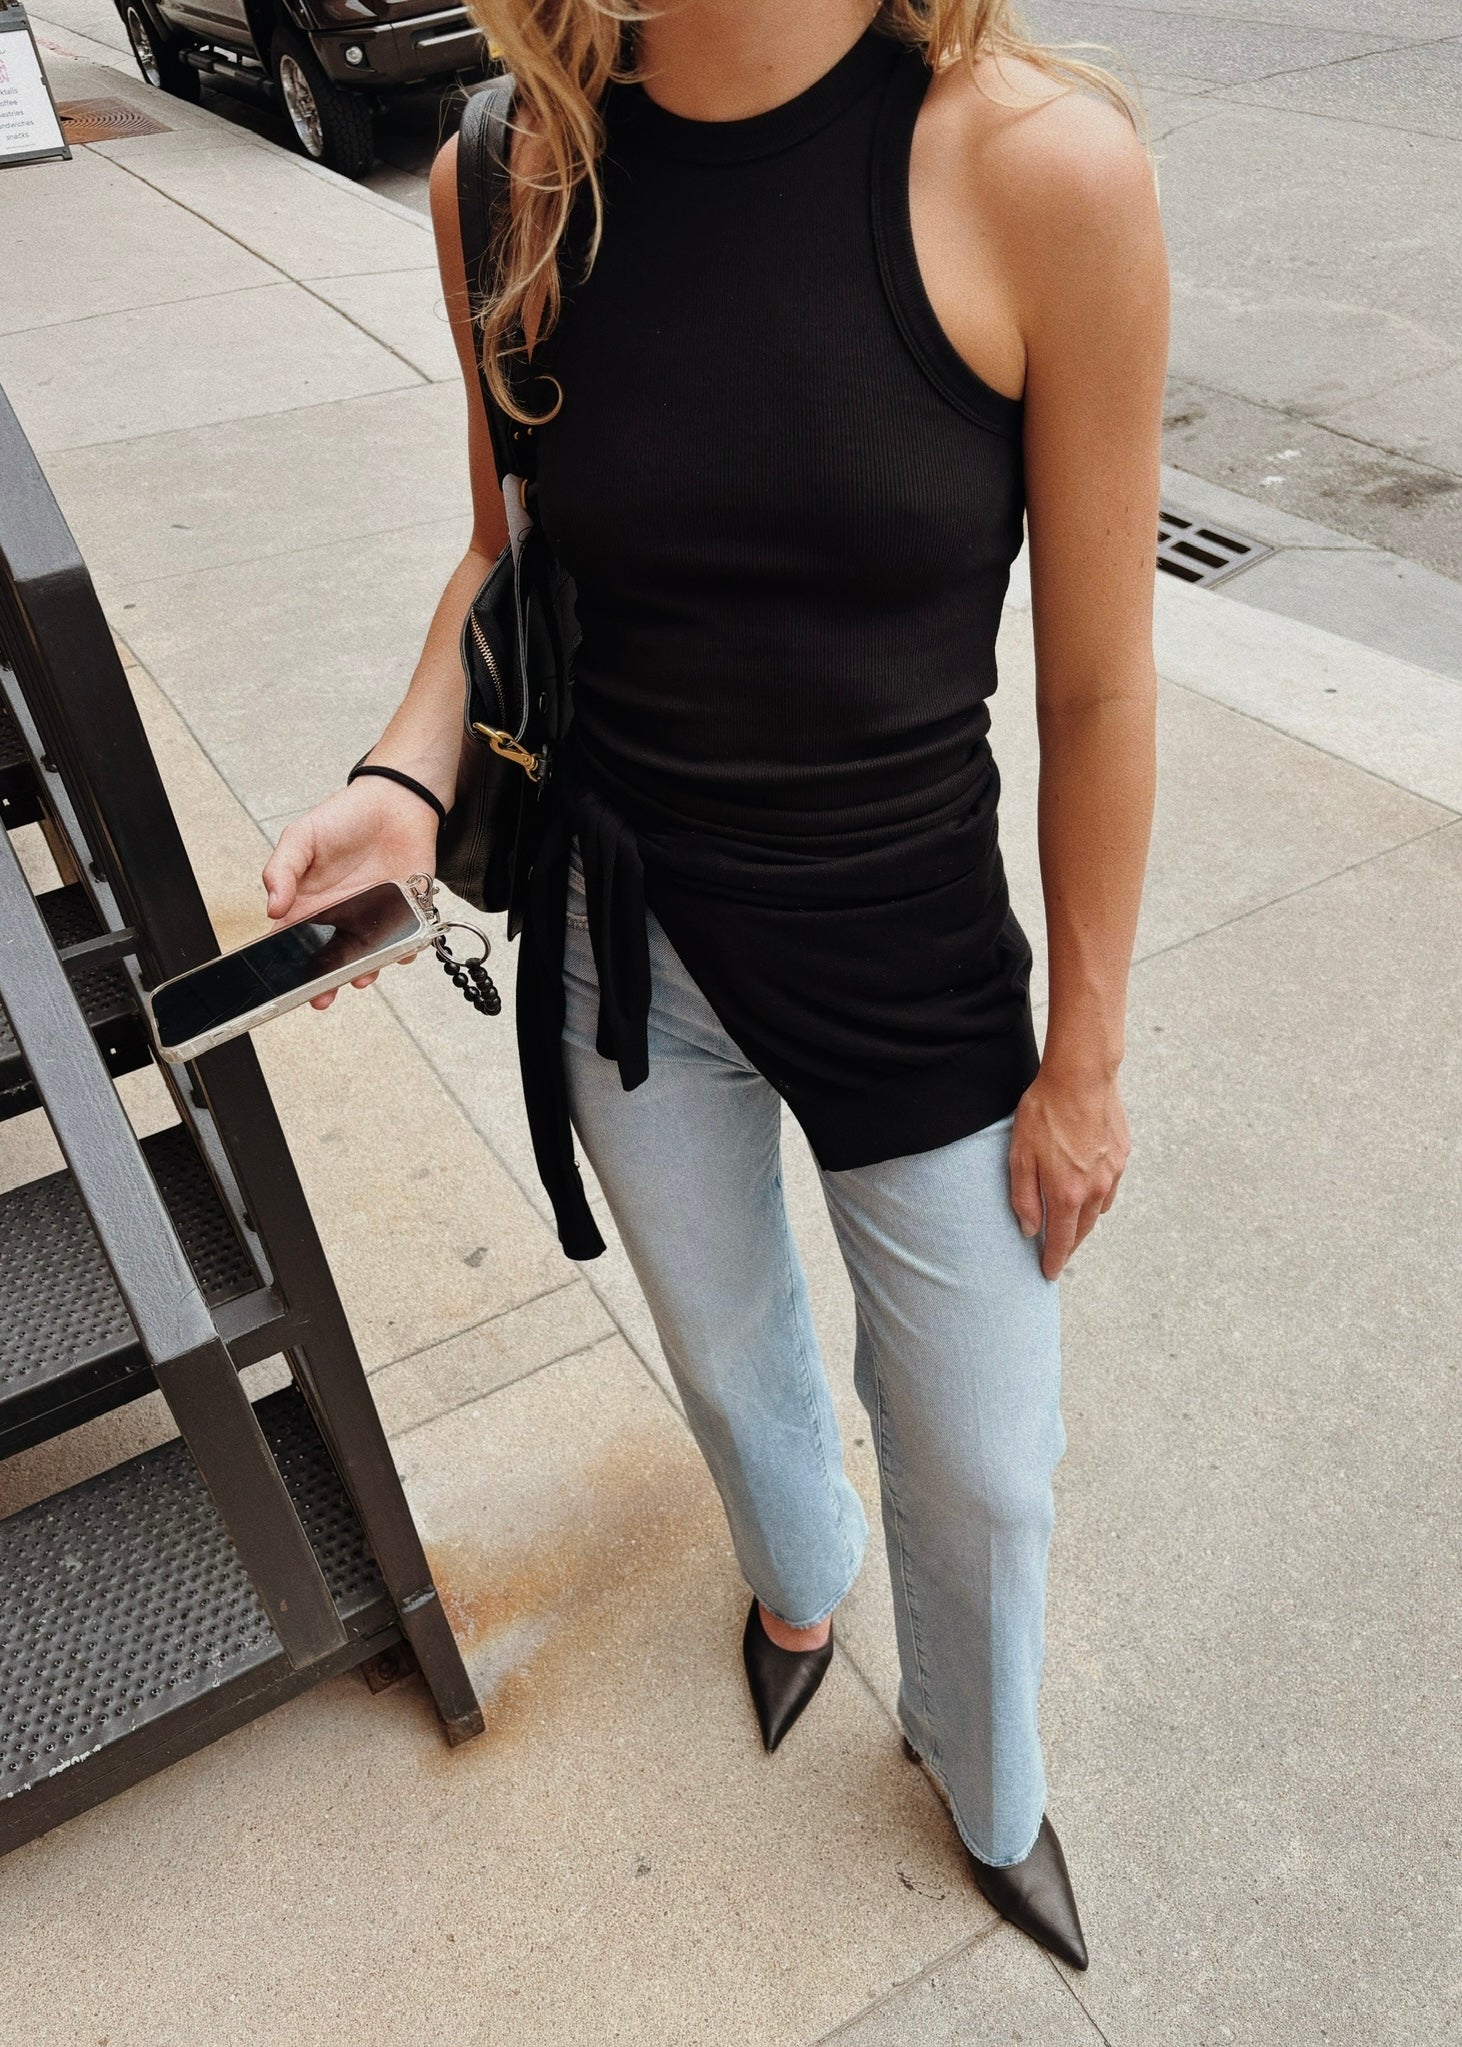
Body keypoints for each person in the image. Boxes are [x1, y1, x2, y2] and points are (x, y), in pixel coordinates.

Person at [263, 0, 1166, 1971]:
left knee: (986, 1469)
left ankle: (986, 1776)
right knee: (724, 1339)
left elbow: (1101, 684)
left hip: (903, 960)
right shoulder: (505, 162)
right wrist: (404, 777)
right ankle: (794, 1575)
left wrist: (1086, 1052)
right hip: (619, 940)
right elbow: (503, 550)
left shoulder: (1036, 168)